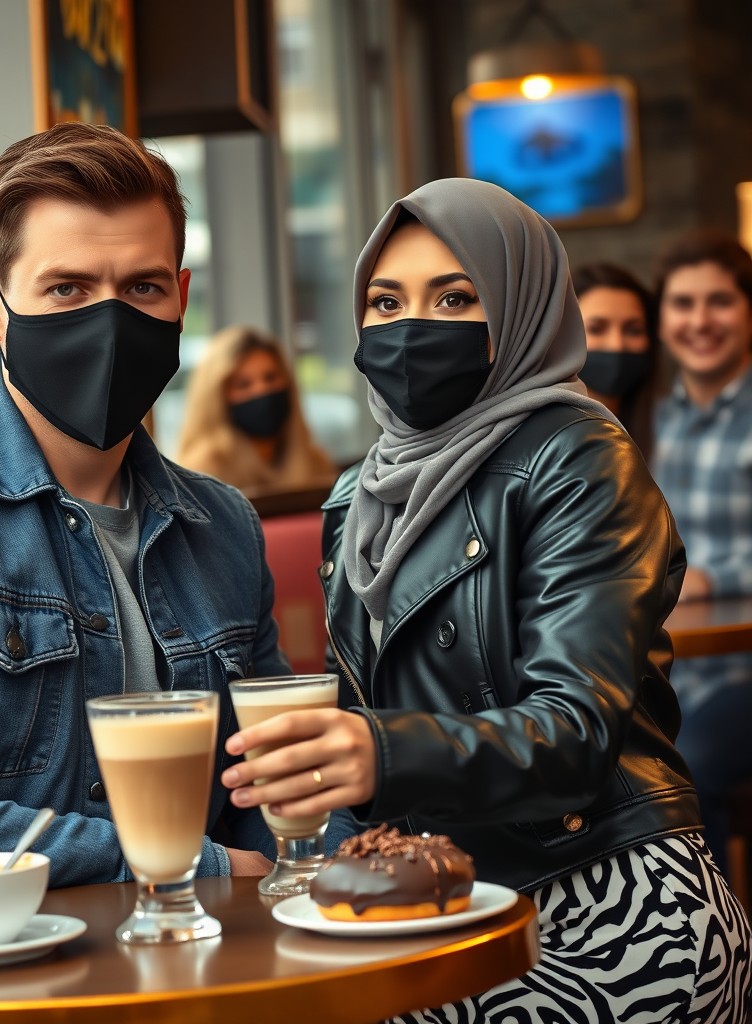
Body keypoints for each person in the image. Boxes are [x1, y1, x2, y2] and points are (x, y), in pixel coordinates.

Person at [0, 122, 353, 917]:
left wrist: (357, 859)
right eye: (67, 289)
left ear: (181, 302)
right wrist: (173, 861)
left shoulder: (219, 524)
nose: (108, 320)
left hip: (184, 966)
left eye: (142, 288)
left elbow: (275, 781)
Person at [221, 179, 751, 1019]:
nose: (409, 329)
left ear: (521, 306)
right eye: (384, 301)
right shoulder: (359, 496)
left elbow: (576, 729)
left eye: (455, 297)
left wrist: (378, 751)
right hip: (442, 906)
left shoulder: (578, 457)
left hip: (606, 910)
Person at [651, 228, 752, 883]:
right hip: (670, 672)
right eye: (683, 304)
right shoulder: (656, 420)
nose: (700, 321)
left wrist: (718, 577)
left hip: (743, 672)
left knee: (679, 772)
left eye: (719, 301)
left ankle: (713, 959)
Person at [175, 324, 335, 494]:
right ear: (216, 399)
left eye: (271, 377)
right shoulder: (199, 476)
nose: (262, 391)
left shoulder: (316, 462)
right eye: (243, 385)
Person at [574, 261, 658, 458]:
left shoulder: (668, 425)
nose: (616, 345)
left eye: (633, 330)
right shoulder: (538, 434)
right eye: (596, 329)